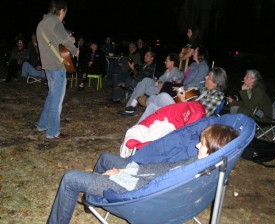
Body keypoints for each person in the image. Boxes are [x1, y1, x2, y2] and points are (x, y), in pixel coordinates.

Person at [46, 124, 239, 224]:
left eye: (202, 144)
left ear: (213, 150)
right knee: (106, 157)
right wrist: (125, 168)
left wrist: (117, 175)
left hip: (133, 193)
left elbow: (153, 185)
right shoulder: (206, 164)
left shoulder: (194, 170)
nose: (197, 145)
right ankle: (91, 200)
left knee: (70, 179)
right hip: (140, 181)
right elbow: (162, 170)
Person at [36, 0, 79, 140]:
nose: (65, 15)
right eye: (65, 12)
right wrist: (75, 50)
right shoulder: (56, 22)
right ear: (60, 11)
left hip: (48, 66)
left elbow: (55, 41)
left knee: (51, 96)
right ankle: (53, 132)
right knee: (57, 100)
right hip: (57, 67)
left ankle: (42, 125)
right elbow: (66, 42)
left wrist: (67, 39)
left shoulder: (41, 24)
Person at [138, 67, 227, 123]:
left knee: (164, 96)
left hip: (185, 117)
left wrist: (183, 101)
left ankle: (147, 100)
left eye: (208, 77)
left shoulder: (217, 96)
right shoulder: (205, 89)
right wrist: (182, 91)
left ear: (215, 83)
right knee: (152, 107)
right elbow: (187, 95)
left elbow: (198, 116)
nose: (205, 77)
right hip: (181, 108)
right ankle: (136, 130)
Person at [119, 52, 184, 116]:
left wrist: (161, 83)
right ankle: (130, 107)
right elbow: (161, 79)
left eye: (167, 61)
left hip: (163, 92)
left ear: (172, 62)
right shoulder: (168, 71)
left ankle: (130, 107)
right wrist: (158, 81)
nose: (165, 62)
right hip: (158, 87)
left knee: (141, 85)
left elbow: (171, 84)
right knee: (144, 81)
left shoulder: (176, 72)